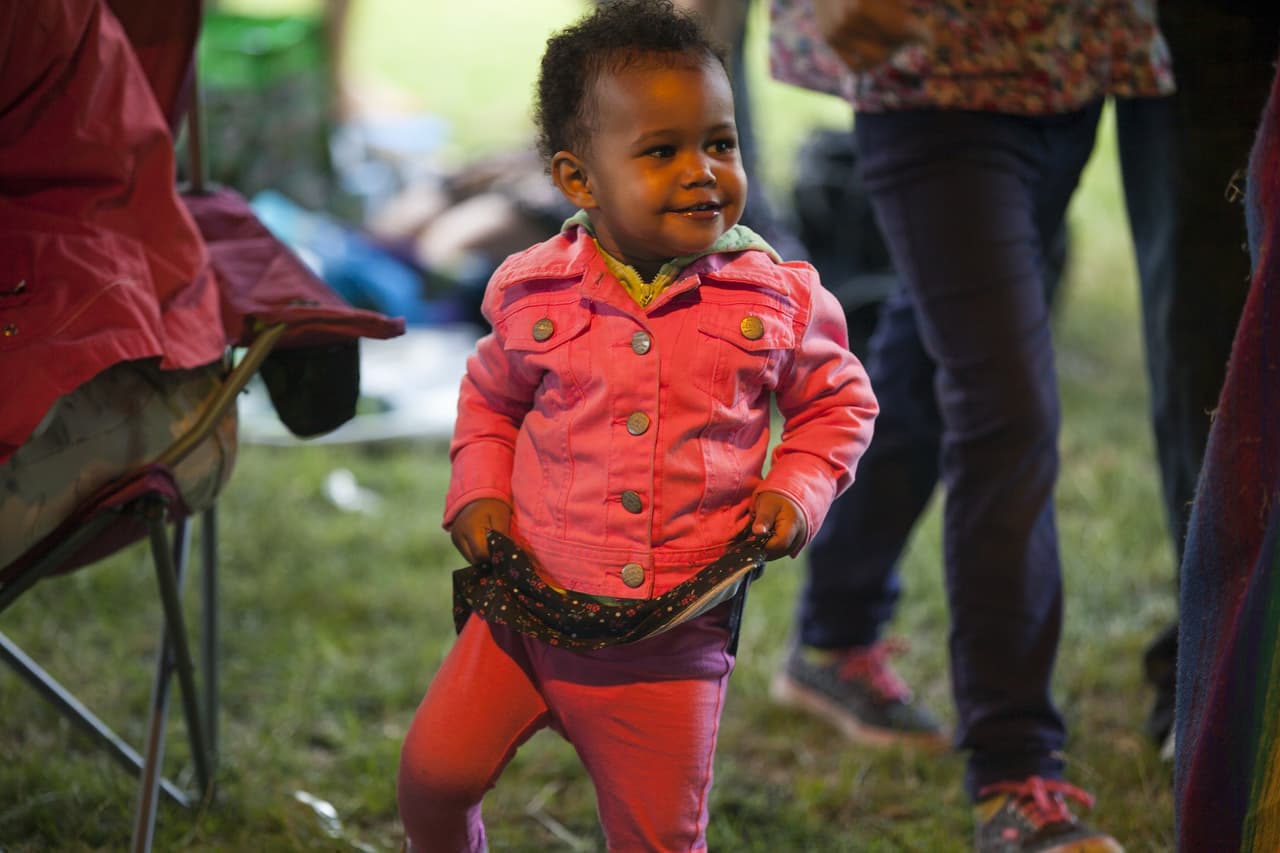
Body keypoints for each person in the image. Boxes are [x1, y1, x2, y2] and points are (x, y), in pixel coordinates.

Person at [394, 2, 877, 850]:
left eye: (720, 144)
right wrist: (477, 490)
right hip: (522, 616)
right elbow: (491, 400)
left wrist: (797, 487)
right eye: (662, 151)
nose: (702, 172)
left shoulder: (780, 296)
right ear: (580, 180)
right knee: (433, 776)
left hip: (670, 641)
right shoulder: (531, 289)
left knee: (656, 837)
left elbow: (839, 404)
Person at [765, 0, 1172, 850]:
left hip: (1067, 63)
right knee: (1009, 415)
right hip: (934, 68)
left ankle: (833, 636)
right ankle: (1015, 774)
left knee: (926, 360)